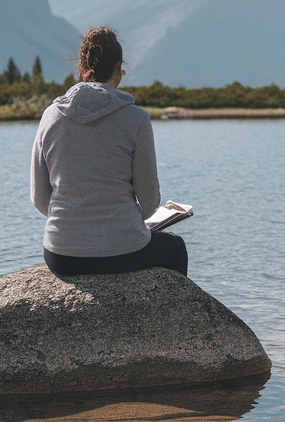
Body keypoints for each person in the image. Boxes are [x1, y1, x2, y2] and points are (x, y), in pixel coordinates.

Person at [31, 26, 188, 277]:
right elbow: (148, 204)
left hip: (61, 255)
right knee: (176, 248)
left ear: (81, 67)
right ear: (118, 67)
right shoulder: (136, 119)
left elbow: (40, 199)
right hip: (123, 251)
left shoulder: (50, 117)